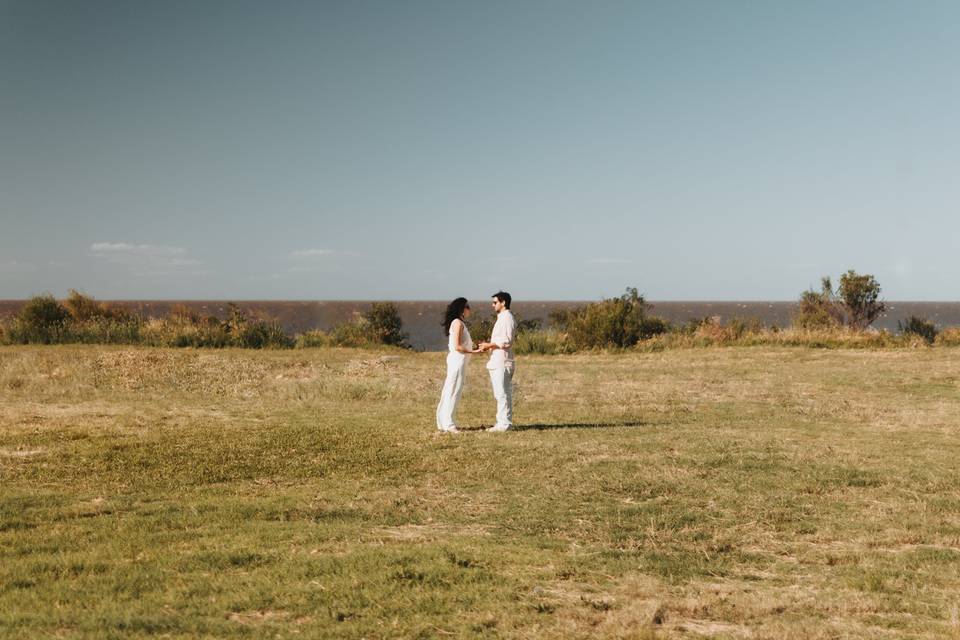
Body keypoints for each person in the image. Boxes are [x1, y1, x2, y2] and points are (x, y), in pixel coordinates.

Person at [436, 297, 481, 433]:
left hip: (459, 361)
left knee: (452, 390)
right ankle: (449, 424)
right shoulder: (458, 323)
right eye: (467, 306)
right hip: (458, 360)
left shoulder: (459, 323)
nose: (469, 309)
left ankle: (446, 422)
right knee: (453, 390)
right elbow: (457, 346)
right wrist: (474, 351)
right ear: (462, 309)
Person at [479, 291, 516, 432]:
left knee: (502, 393)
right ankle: (502, 422)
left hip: (503, 361)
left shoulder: (507, 318)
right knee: (500, 393)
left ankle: (505, 424)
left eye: (495, 302)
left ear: (503, 302)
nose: (492, 305)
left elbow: (507, 341)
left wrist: (489, 345)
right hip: (498, 360)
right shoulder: (502, 318)